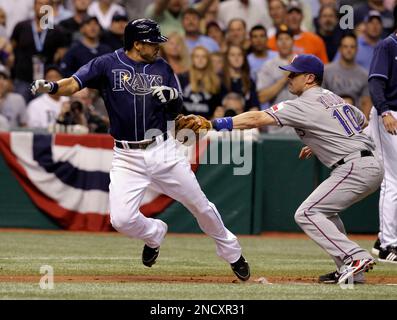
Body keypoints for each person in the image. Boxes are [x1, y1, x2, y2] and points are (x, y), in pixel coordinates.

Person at [30, 18, 250, 281]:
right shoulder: (106, 64)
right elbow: (74, 83)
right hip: (126, 155)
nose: (158, 46)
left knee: (200, 205)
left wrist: (171, 97)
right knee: (121, 220)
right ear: (136, 43)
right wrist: (53, 87)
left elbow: (177, 108)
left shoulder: (164, 68)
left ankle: (233, 253)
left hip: (162, 149)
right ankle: (154, 233)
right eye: (152, 42)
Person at [187, 54, 384, 284]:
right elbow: (359, 120)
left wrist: (214, 123)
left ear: (309, 78)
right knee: (326, 213)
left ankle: (356, 257)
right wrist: (324, 139)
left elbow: (258, 118)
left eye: (294, 74)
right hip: (366, 164)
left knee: (307, 213)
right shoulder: (332, 97)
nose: (289, 78)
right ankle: (351, 272)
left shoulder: (301, 104)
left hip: (354, 167)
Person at [367, 27, 397, 263]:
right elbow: (376, 83)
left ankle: (383, 240)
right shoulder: (387, 45)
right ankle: (387, 245)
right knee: (392, 180)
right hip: (389, 115)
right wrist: (385, 111)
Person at [323, 33, 372, 119]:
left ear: (357, 49)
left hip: (355, 121)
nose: (349, 50)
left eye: (352, 47)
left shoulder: (364, 75)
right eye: (345, 46)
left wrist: (364, 127)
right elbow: (320, 99)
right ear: (340, 49)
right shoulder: (326, 71)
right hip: (329, 119)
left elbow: (366, 103)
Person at [178, 46, 221, 119]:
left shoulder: (215, 81)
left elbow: (218, 107)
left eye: (203, 57)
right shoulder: (181, 78)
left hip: (207, 124)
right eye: (197, 56)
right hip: (185, 123)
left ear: (208, 60)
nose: (200, 59)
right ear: (192, 59)